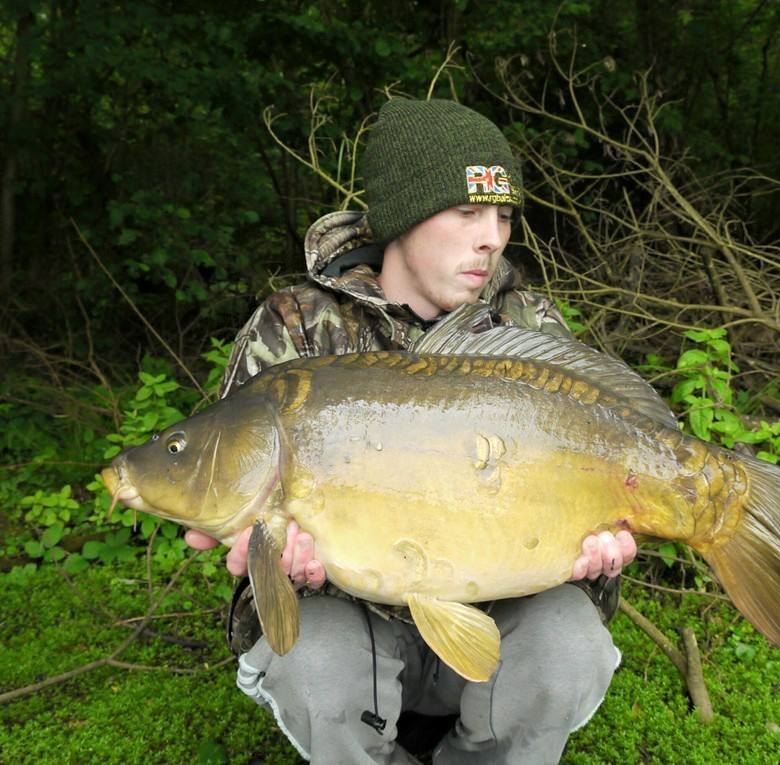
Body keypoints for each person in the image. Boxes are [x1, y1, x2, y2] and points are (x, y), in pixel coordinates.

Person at [185, 98, 636, 764]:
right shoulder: (297, 328)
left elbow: (590, 502)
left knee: (569, 643)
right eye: (468, 212)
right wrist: (273, 558)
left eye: (504, 216)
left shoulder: (527, 328)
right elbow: (230, 491)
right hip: (358, 628)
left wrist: (597, 558)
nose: (492, 238)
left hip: (491, 622)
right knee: (313, 660)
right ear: (403, 216)